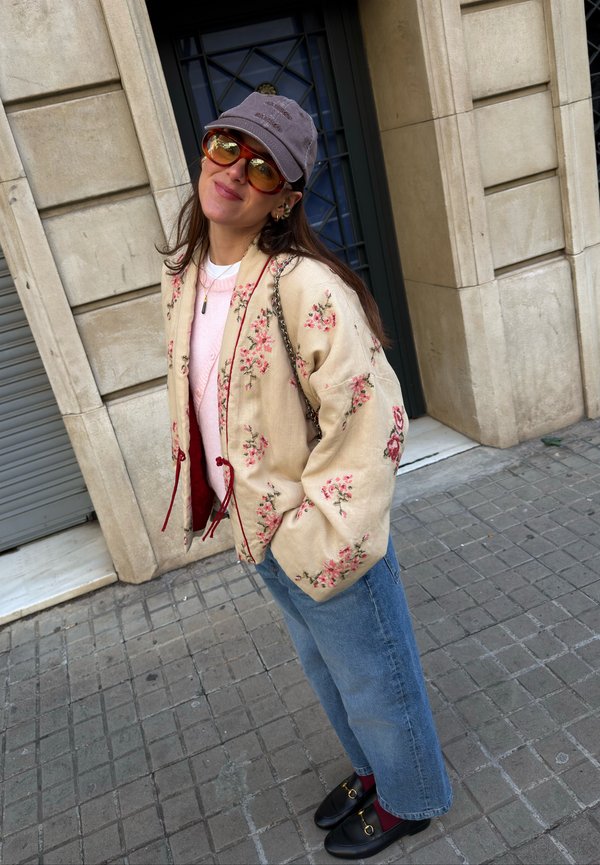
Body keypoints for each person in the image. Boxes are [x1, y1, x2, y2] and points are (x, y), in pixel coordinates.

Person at [160, 90, 452, 859]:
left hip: (323, 536)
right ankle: (372, 770)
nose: (236, 173)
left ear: (284, 199)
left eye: (263, 169)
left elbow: (372, 419)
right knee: (330, 672)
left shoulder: (306, 287)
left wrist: (319, 536)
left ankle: (412, 795)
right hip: (262, 532)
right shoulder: (186, 274)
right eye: (228, 147)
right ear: (205, 147)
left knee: (378, 680)